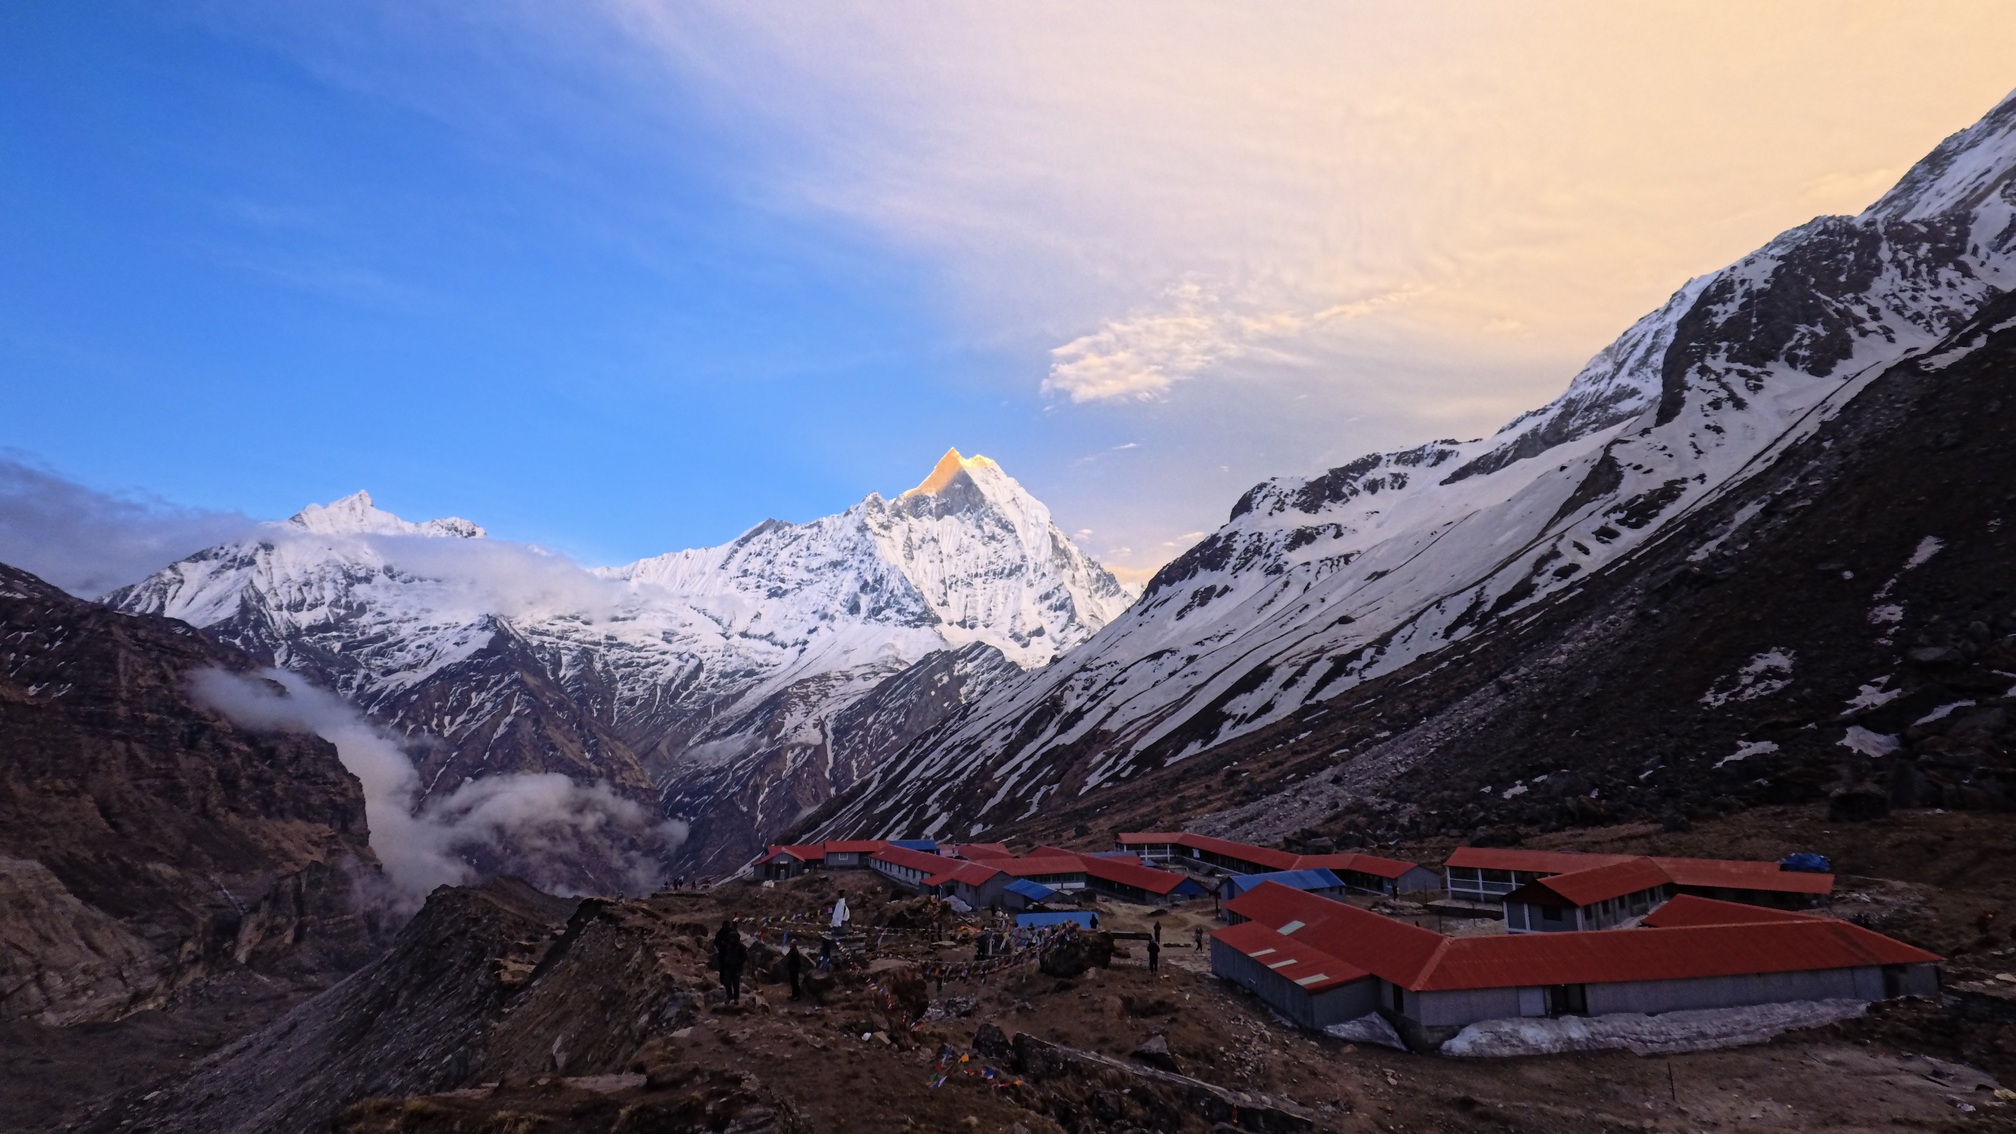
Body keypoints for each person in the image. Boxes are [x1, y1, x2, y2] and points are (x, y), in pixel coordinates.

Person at [715, 919, 746, 1004]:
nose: (731, 940)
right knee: (727, 983)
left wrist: (739, 963)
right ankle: (729, 996)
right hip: (728, 966)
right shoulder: (727, 946)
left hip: (736, 967)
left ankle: (736, 998)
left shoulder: (741, 947)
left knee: (736, 984)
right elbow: (718, 945)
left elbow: (744, 957)